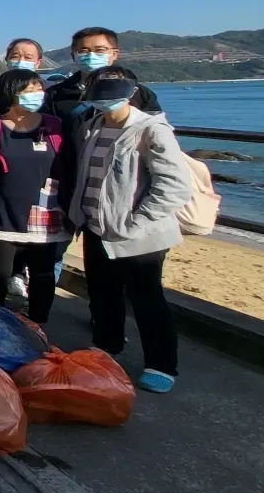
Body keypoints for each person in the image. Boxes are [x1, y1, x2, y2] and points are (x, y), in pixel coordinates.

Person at [67, 66, 191, 393]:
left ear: (131, 92)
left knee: (147, 298)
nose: (105, 103)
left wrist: (137, 223)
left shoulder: (151, 130)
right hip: (96, 225)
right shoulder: (92, 127)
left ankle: (162, 364)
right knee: (103, 292)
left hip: (140, 235)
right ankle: (106, 348)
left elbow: (175, 185)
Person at [0, 69, 70, 323]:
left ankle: (37, 323)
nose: (38, 94)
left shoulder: (54, 127)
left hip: (46, 212)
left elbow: (68, 169)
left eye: (40, 89)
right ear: (11, 93)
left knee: (43, 274)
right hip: (1, 213)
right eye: (29, 90)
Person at [43, 27, 163, 123]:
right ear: (74, 55)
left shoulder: (139, 93)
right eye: (83, 51)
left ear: (115, 54)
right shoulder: (55, 95)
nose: (91, 55)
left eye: (100, 50)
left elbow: (157, 130)